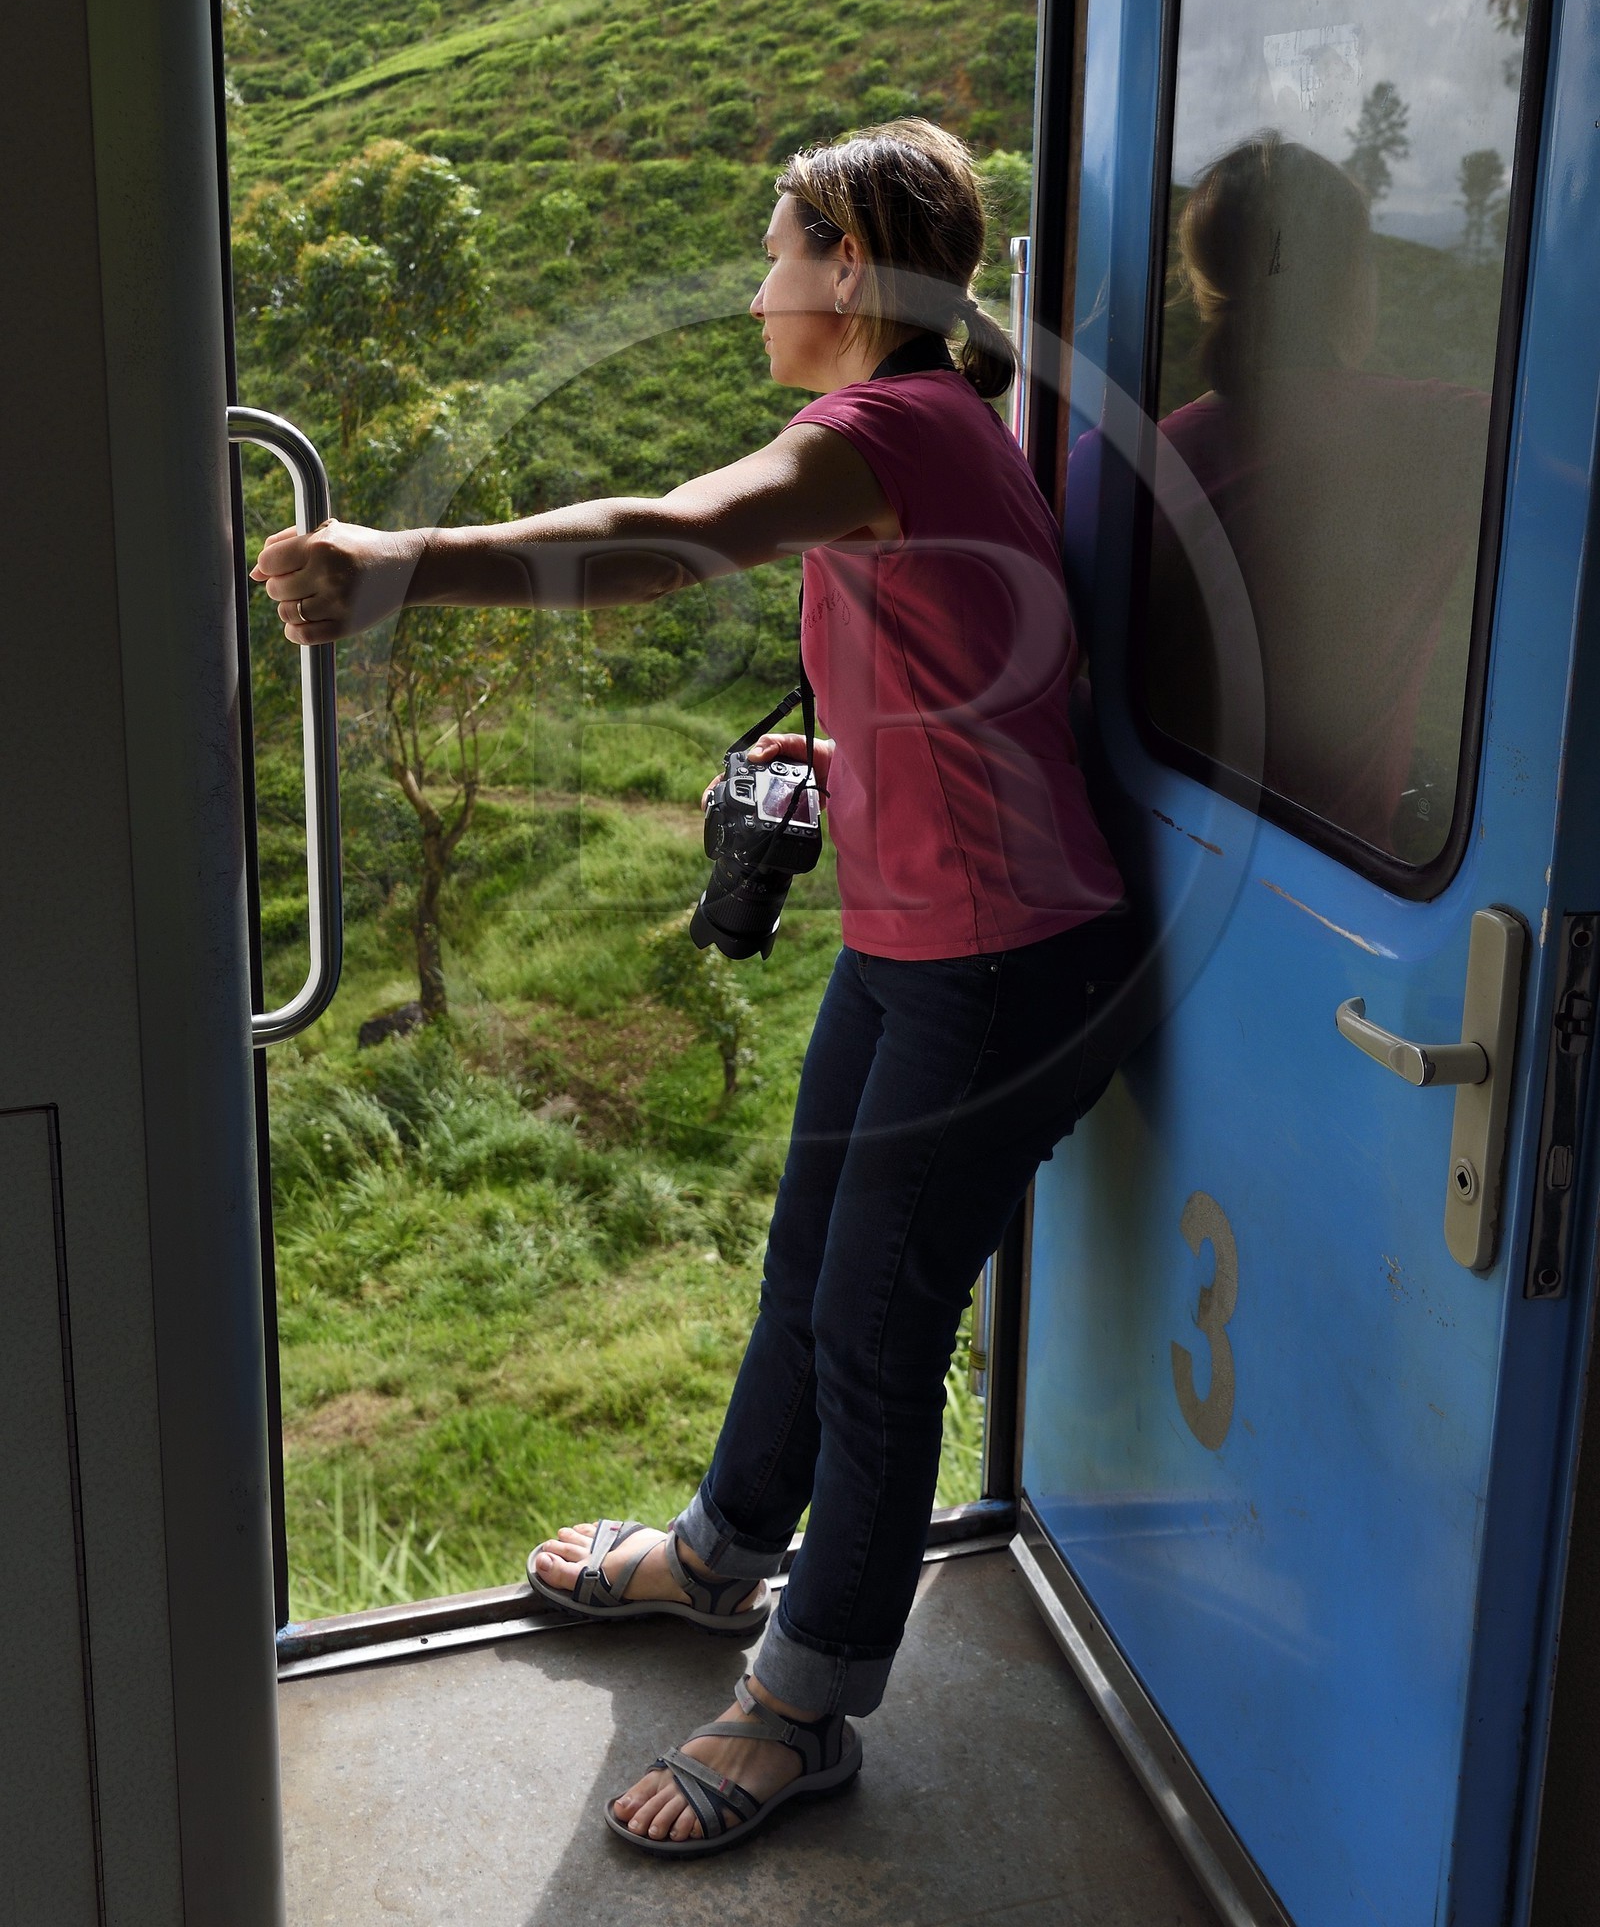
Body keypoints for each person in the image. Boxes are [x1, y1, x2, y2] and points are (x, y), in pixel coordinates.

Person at [254, 118, 1133, 1856]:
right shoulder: (938, 429)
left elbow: (670, 535)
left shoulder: (883, 421)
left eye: (777, 251)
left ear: (850, 270)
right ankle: (726, 1555)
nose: (755, 292)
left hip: (1004, 960)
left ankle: (806, 1709)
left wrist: (400, 569)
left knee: (876, 1326)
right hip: (922, 939)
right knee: (809, 1262)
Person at [1144, 135, 1491, 856]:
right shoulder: (1451, 433)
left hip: (1163, 882)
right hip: (1344, 883)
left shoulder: (1122, 465)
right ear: (1351, 281)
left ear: (1204, 284)